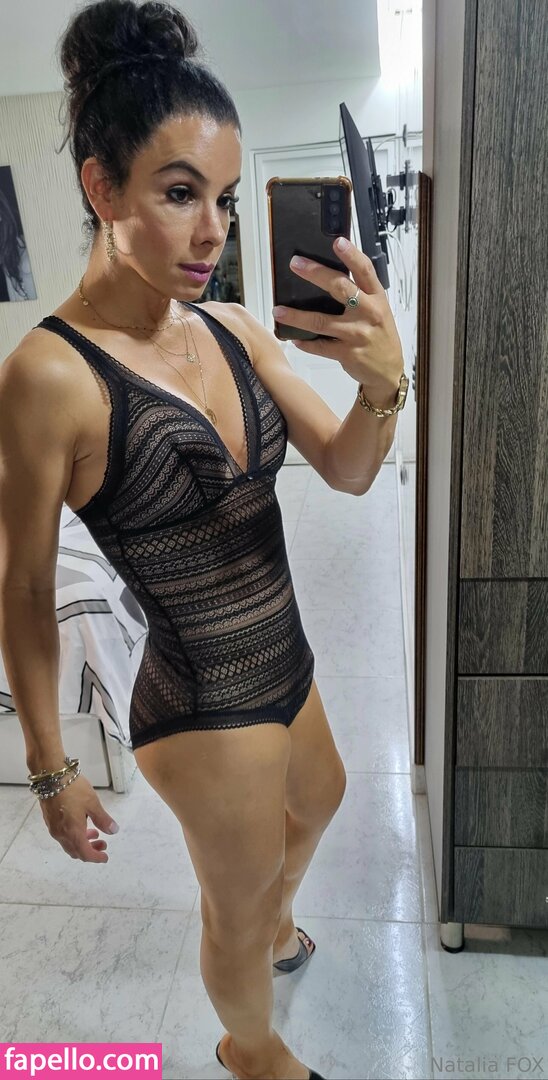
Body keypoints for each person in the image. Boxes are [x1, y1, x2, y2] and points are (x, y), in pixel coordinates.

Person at [0, 3, 407, 1078]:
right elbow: (25, 587)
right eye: (179, 193)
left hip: (284, 652)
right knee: (236, 898)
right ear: (102, 188)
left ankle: (273, 924)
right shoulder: (48, 374)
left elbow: (349, 467)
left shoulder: (228, 327)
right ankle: (249, 1046)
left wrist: (383, 386)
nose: (214, 229)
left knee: (322, 800)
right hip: (199, 695)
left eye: (222, 198)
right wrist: (49, 768)